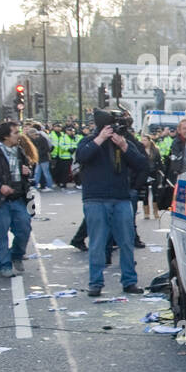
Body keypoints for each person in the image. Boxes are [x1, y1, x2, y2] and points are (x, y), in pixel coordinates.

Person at [75, 112, 148, 296]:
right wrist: (100, 139)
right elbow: (82, 156)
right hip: (95, 198)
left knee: (126, 242)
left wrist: (123, 146)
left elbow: (141, 163)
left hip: (121, 197)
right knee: (97, 243)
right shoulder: (88, 141)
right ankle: (95, 283)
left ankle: (129, 282)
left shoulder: (123, 143)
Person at [0, 121, 34, 278]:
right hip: (0, 200)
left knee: (24, 228)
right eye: (15, 132)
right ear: (6, 136)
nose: (18, 135)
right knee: (0, 234)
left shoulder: (19, 151)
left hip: (18, 197)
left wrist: (27, 171)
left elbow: (27, 171)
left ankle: (17, 255)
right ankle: (4, 265)